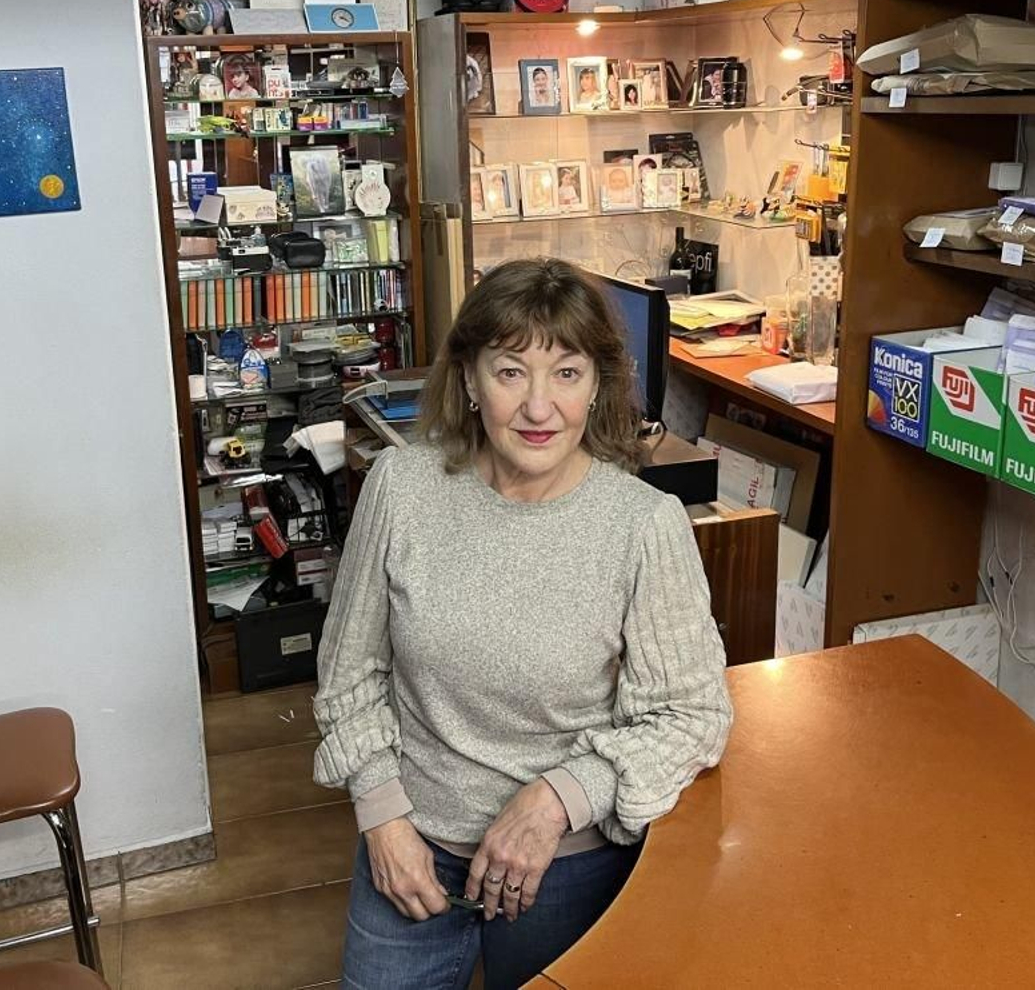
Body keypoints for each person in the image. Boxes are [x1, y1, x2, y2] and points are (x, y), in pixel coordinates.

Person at [313, 258, 733, 990]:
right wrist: (381, 815)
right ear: (470, 379)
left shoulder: (643, 526)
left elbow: (692, 715)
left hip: (567, 868)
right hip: (410, 842)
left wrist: (557, 798)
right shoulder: (400, 489)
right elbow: (348, 673)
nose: (540, 408)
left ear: (597, 384)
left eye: (566, 373)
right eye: (511, 372)